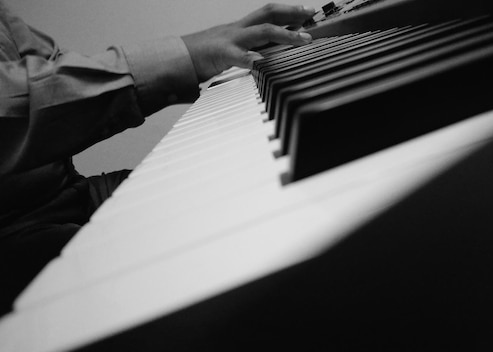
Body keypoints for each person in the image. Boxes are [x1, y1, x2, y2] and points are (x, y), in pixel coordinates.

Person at [0, 1, 315, 315]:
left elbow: (50, 68)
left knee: (245, 187)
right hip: (14, 243)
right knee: (226, 268)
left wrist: (219, 40)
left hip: (70, 198)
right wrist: (185, 55)